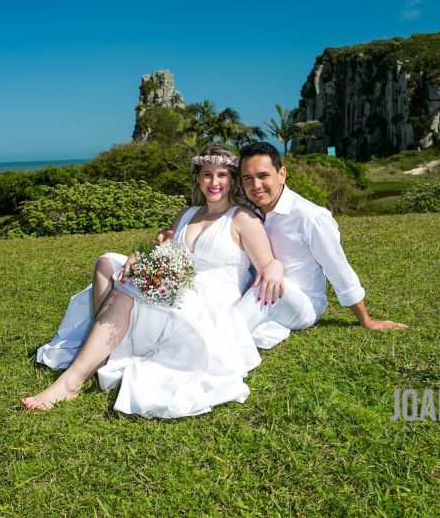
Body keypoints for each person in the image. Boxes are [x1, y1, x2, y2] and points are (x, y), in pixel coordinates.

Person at [22, 145, 286, 417]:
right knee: (106, 263)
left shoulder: (243, 218)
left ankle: (72, 381)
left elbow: (267, 264)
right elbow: (166, 251)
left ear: (232, 179)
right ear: (198, 178)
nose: (214, 182)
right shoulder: (186, 214)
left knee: (128, 288)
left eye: (222, 175)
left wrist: (276, 266)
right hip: (175, 283)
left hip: (208, 300)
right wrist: (141, 257)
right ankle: (101, 354)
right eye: (207, 174)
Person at [230, 142, 408, 347]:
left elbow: (338, 268)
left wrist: (366, 320)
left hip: (304, 305)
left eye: (263, 176)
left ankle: (221, 338)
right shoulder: (248, 214)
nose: (256, 185)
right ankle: (262, 331)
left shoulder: (310, 216)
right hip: (266, 297)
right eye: (248, 178)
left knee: (267, 284)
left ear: (282, 174)